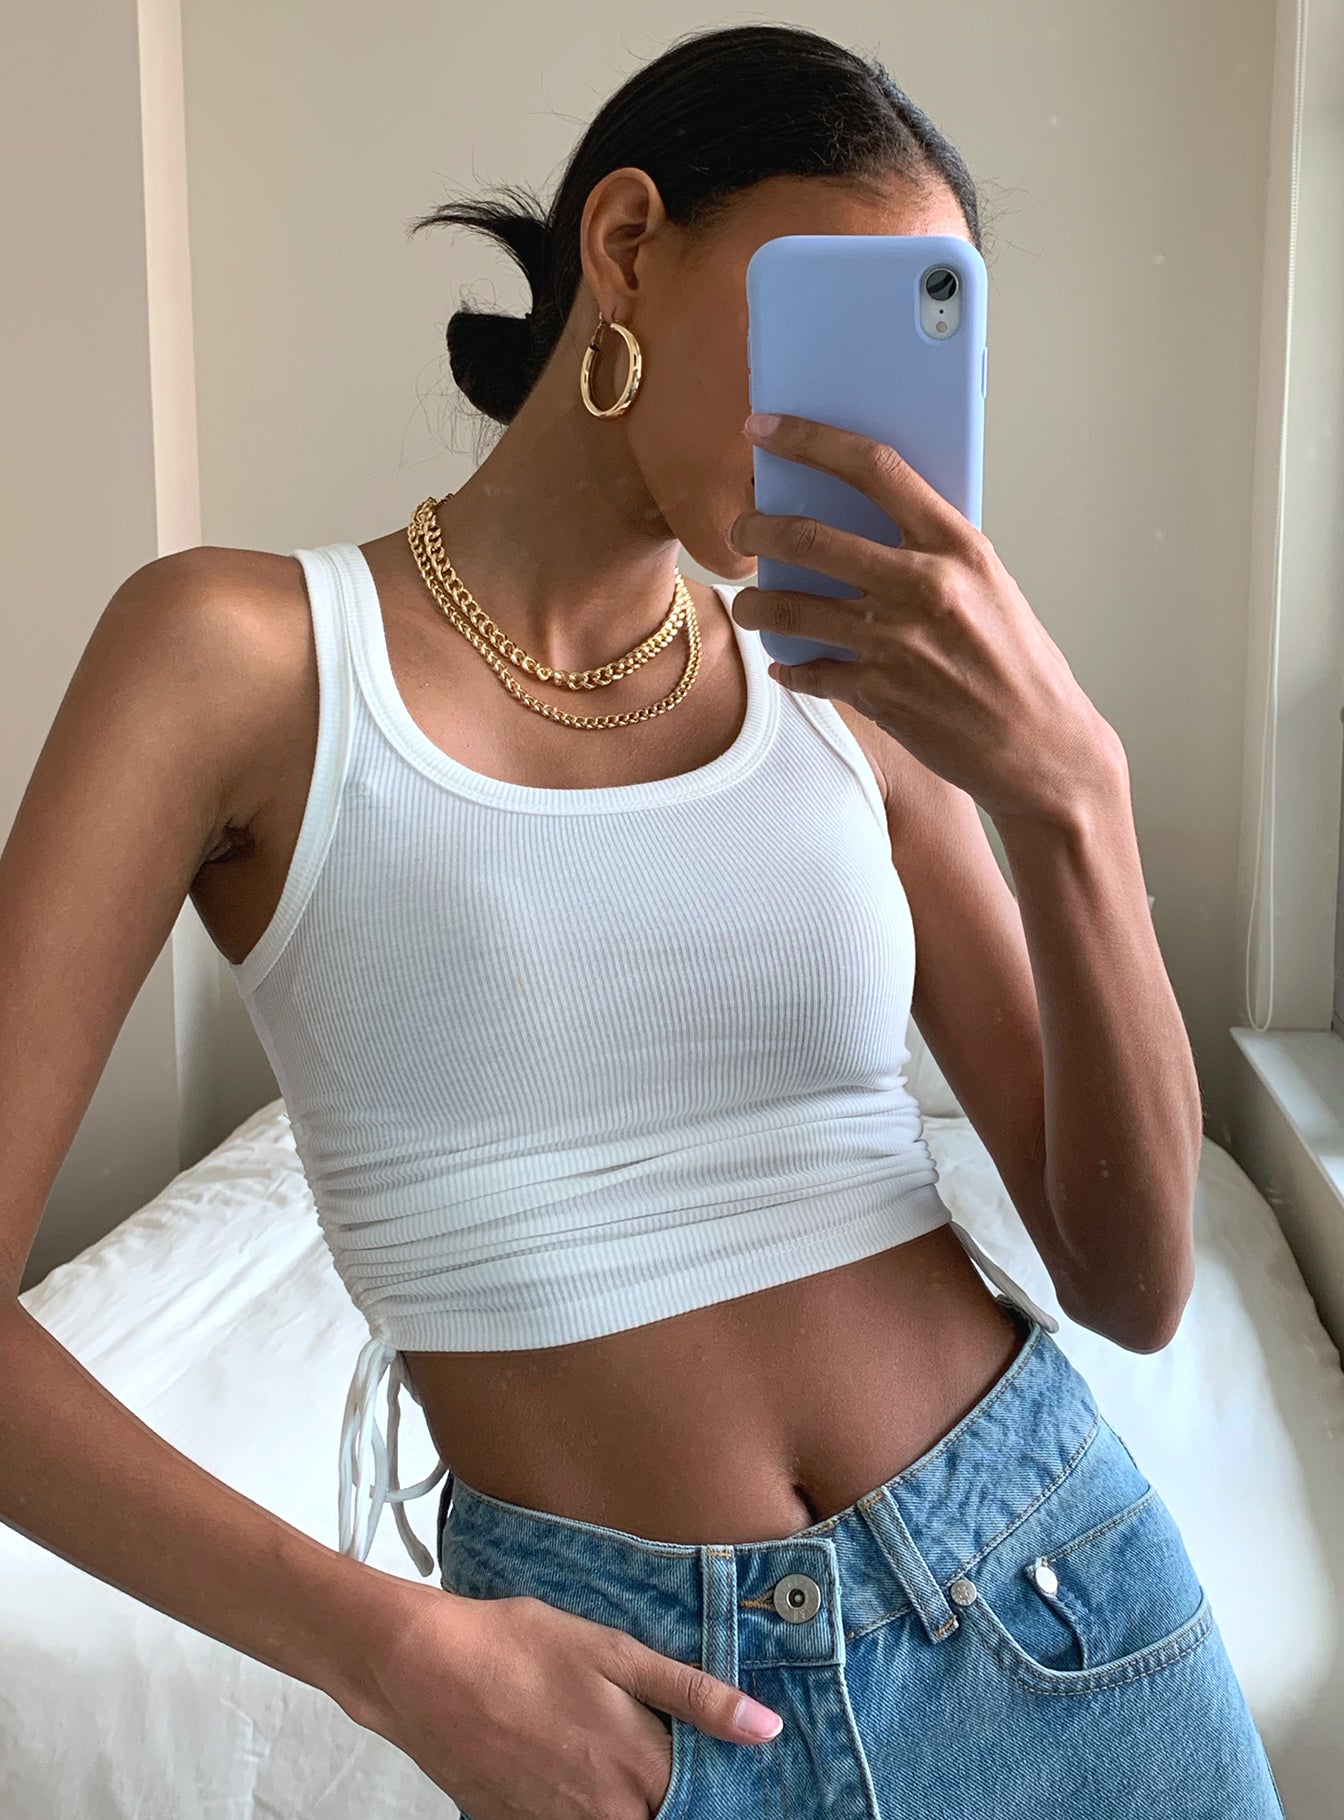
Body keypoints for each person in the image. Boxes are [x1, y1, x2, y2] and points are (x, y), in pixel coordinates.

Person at [0, 20, 1286, 1820]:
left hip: (1053, 1598)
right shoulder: (244, 656)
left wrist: (1073, 797)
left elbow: (1134, 1283)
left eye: (924, 349)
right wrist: (386, 1648)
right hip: (634, 1708)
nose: (864, 424)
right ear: (624, 246)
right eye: (837, 317)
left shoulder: (848, 696)